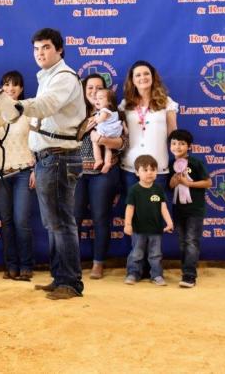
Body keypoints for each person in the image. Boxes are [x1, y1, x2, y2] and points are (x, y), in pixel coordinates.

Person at [18, 28, 86, 300]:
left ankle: (70, 282)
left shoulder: (63, 77)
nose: (40, 53)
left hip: (59, 157)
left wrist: (15, 106)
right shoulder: (48, 77)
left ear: (59, 50)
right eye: (36, 49)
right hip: (50, 157)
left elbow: (45, 106)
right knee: (53, 223)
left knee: (61, 223)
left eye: (45, 47)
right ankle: (60, 278)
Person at [0, 70, 35, 281]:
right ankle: (11, 266)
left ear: (21, 89)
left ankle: (26, 266)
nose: (10, 88)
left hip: (24, 171)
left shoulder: (30, 112)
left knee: (21, 220)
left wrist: (36, 170)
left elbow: (38, 143)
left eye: (15, 85)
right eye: (6, 85)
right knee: (6, 221)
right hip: (0, 173)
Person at [74, 74, 127, 280]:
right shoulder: (75, 112)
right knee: (74, 218)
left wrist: (102, 138)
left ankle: (98, 263)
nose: (94, 92)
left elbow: (122, 143)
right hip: (78, 174)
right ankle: (73, 262)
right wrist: (91, 122)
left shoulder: (114, 113)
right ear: (83, 90)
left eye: (98, 88)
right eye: (90, 88)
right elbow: (74, 137)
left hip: (104, 172)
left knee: (101, 217)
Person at [120, 60, 178, 191]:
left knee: (156, 210)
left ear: (153, 77)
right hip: (130, 167)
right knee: (132, 210)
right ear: (132, 80)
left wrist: (180, 162)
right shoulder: (125, 104)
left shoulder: (167, 102)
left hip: (157, 167)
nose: (143, 78)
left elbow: (173, 135)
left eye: (146, 74)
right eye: (138, 75)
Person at [168, 129, 212, 288]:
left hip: (195, 210)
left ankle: (189, 276)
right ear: (169, 146)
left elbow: (208, 183)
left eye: (181, 144)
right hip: (178, 209)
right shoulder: (169, 164)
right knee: (182, 243)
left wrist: (190, 184)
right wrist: (174, 180)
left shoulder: (195, 163)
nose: (177, 146)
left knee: (191, 241)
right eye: (174, 143)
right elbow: (170, 186)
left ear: (189, 146)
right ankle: (186, 271)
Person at [123, 155, 174, 286]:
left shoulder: (158, 189)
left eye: (153, 169)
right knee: (136, 253)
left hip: (156, 230)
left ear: (157, 172)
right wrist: (127, 224)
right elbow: (130, 208)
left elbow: (163, 208)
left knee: (155, 255)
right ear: (137, 172)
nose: (149, 173)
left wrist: (169, 222)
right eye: (145, 170)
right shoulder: (134, 190)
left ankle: (156, 275)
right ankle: (133, 274)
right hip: (138, 230)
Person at [91, 88, 123, 174]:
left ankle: (98, 159)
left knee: (94, 141)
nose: (97, 100)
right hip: (113, 132)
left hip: (106, 131)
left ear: (109, 102)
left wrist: (95, 118)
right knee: (108, 147)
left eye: (100, 98)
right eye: (96, 98)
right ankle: (107, 163)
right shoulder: (114, 112)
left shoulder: (104, 111)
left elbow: (100, 120)